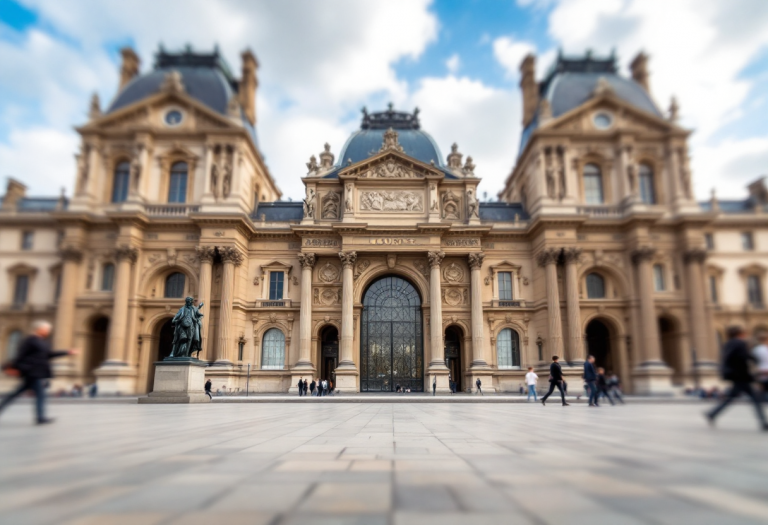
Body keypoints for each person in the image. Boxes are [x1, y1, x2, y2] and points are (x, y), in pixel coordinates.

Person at [0, 321, 78, 424]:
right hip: (31, 372)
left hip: (37, 372)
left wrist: (67, 352)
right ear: (40, 329)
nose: (48, 332)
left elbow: (49, 354)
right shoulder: (30, 340)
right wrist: (13, 368)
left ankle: (40, 418)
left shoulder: (42, 342)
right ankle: (40, 418)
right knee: (40, 395)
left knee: (16, 394)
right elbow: (20, 355)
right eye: (46, 329)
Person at [706, 325, 767, 430]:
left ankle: (712, 413)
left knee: (731, 398)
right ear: (740, 333)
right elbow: (742, 359)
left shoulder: (728, 343)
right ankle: (763, 423)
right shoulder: (740, 343)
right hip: (741, 376)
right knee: (755, 399)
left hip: (733, 375)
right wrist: (751, 370)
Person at [753, 330, 768, 400]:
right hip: (765, 372)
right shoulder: (764, 349)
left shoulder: (755, 349)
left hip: (760, 372)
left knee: (763, 389)